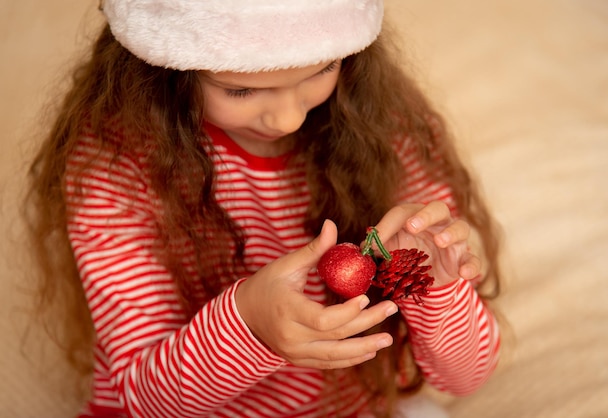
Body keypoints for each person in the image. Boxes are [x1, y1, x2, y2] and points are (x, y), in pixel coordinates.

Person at [25, 0, 502, 416]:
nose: (290, 117)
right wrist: (248, 324)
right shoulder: (116, 163)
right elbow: (144, 400)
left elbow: (466, 378)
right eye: (240, 90)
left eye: (321, 70)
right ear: (162, 69)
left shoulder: (383, 130)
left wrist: (439, 290)